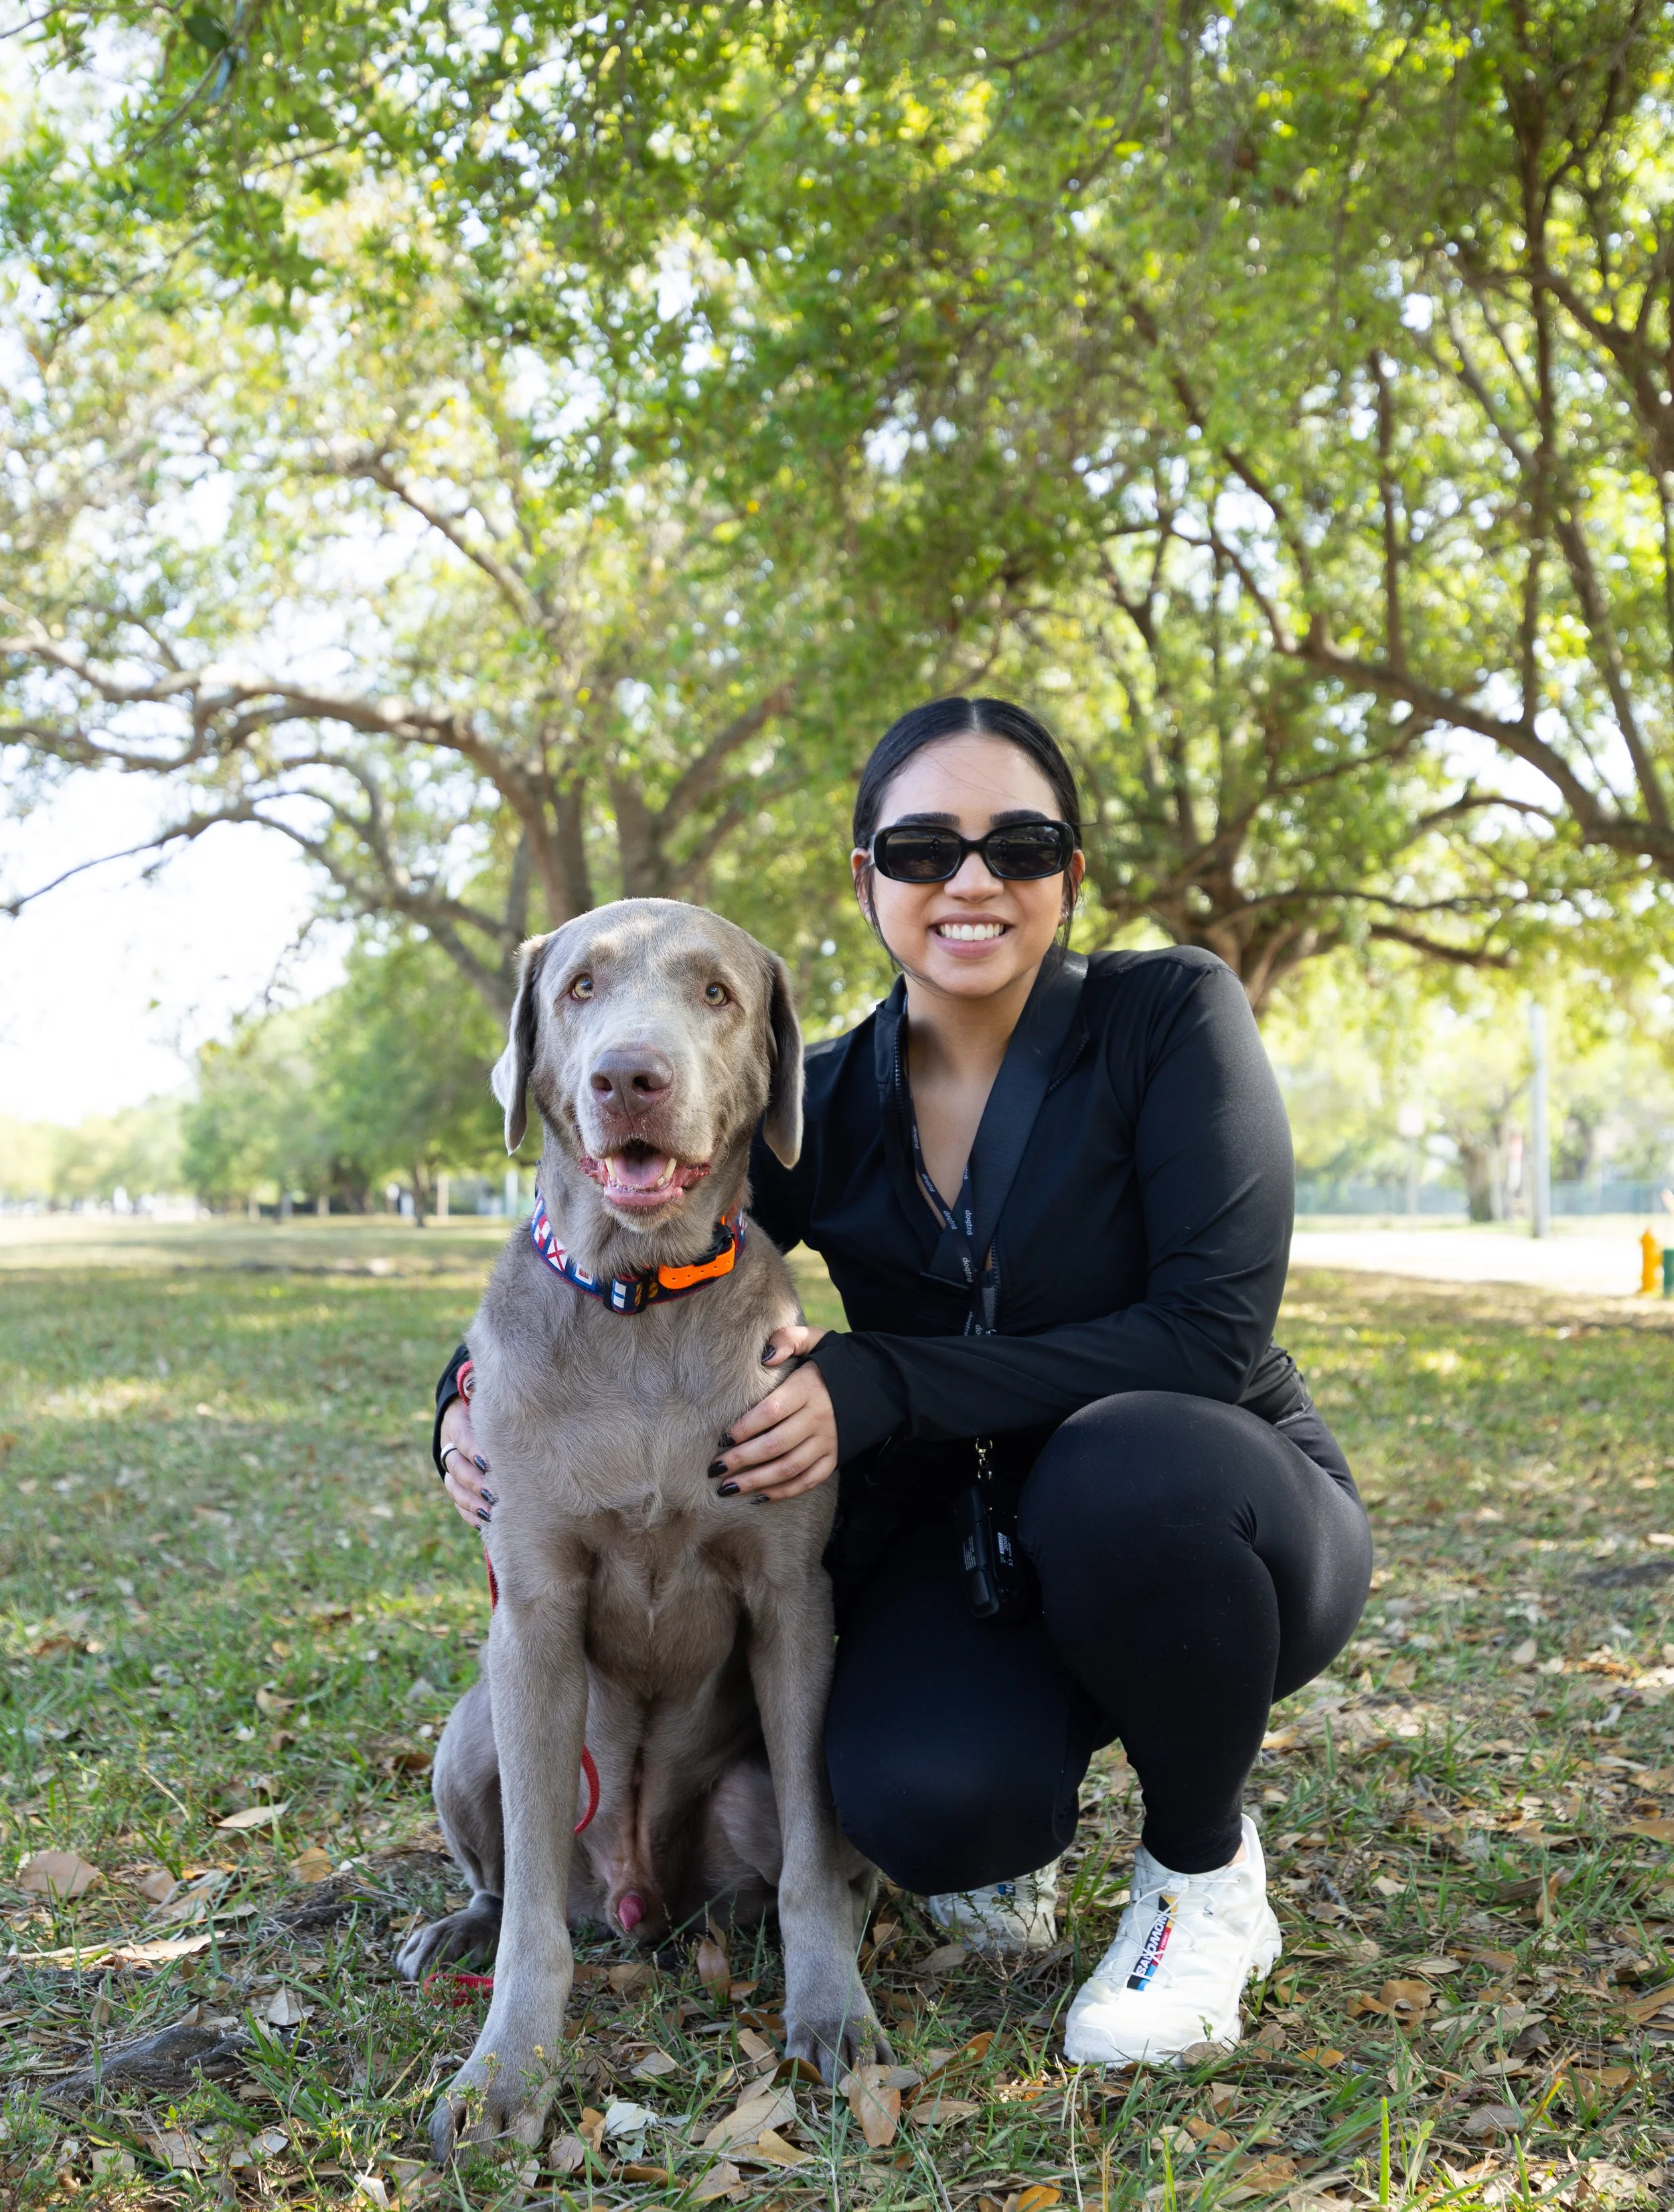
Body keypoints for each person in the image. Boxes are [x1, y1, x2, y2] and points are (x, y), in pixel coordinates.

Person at [432, 696, 1371, 2065]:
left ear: (1071, 872)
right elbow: (621, 1244)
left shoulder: (1167, 1016)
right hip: (980, 1550)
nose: (971, 880)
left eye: (1020, 841)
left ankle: (1199, 1873)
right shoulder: (819, 1101)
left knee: (1124, 1463)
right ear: (865, 875)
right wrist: (462, 1397)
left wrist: (881, 1382)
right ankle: (1022, 1798)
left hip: (1214, 1517)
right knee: (924, 1805)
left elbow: (1207, 1338)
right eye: (923, 845)